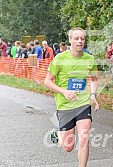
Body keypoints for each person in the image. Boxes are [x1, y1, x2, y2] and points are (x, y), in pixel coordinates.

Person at [44, 27, 99, 167]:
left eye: (82, 38)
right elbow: (47, 81)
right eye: (76, 38)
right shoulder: (60, 58)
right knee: (68, 147)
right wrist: (63, 91)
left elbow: (94, 79)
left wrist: (93, 94)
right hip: (65, 105)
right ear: (70, 40)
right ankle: (58, 132)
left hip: (82, 103)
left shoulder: (89, 58)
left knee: (84, 138)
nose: (80, 41)